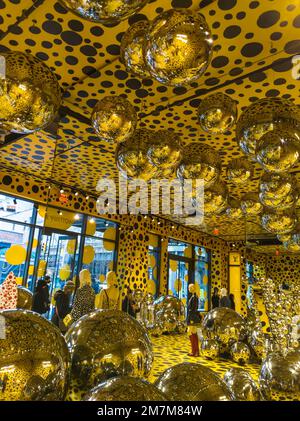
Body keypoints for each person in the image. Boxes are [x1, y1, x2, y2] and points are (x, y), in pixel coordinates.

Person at [187, 283, 201, 357]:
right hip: (192, 317)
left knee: (191, 334)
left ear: (192, 288)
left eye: (190, 287)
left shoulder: (194, 297)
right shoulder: (193, 297)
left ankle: (194, 351)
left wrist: (191, 319)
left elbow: (193, 309)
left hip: (192, 318)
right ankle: (195, 351)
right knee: (193, 334)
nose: (189, 289)